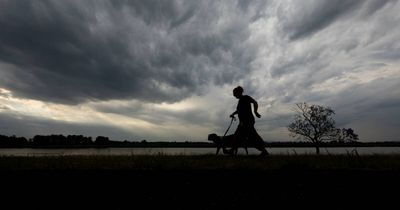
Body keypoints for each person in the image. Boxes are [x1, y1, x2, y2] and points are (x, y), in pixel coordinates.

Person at [225, 86, 269, 156]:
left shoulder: (246, 97)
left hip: (248, 121)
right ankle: (232, 150)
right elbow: (239, 110)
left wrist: (255, 111)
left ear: (239, 92)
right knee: (242, 136)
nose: (234, 95)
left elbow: (255, 102)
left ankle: (264, 150)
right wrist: (233, 113)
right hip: (243, 122)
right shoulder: (240, 101)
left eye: (234, 93)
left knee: (250, 136)